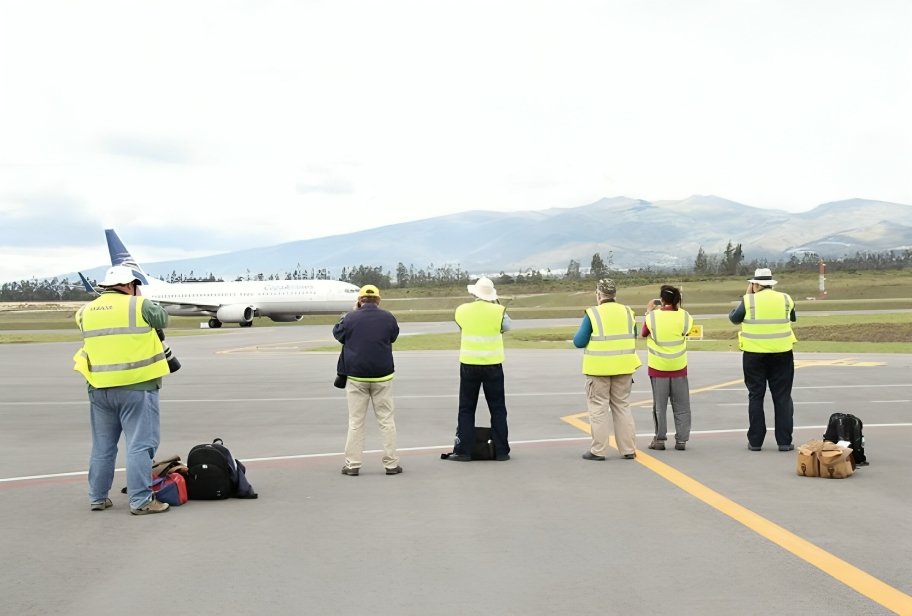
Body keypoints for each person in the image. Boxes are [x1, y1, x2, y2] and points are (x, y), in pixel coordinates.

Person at [73, 265, 173, 515]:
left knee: (103, 446)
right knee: (140, 444)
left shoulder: (84, 311)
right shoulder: (139, 305)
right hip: (137, 386)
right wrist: (140, 299)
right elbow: (163, 319)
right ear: (129, 286)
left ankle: (97, 497)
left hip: (99, 388)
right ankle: (140, 501)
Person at [333, 284, 402, 476]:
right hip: (383, 375)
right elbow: (393, 336)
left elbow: (338, 334)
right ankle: (391, 463)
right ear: (378, 300)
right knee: (387, 421)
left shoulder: (350, 318)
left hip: (357, 376)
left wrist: (352, 313)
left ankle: (352, 464)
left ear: (360, 300)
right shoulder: (388, 317)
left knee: (356, 422)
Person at [729, 267, 798, 452]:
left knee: (756, 396)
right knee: (782, 397)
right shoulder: (785, 298)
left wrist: (746, 297)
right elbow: (792, 317)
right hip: (782, 353)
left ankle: (756, 441)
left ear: (755, 284)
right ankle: (784, 441)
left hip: (754, 355)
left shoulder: (749, 300)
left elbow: (735, 319)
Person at [573, 278, 641, 460]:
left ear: (598, 294)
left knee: (598, 408)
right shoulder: (628, 312)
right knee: (622, 407)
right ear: (615, 294)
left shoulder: (593, 314)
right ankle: (628, 449)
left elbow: (578, 341)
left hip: (599, 369)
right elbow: (632, 334)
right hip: (624, 367)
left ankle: (598, 450)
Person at [446, 276, 512, 461]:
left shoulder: (462, 310)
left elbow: (461, 325)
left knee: (466, 408)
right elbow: (507, 327)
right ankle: (501, 451)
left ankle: (463, 450)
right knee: (498, 408)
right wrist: (497, 306)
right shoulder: (499, 311)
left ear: (474, 292)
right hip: (493, 364)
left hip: (469, 364)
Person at [641, 285, 693, 451]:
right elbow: (688, 331)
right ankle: (682, 440)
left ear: (661, 300)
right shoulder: (685, 316)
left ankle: (660, 439)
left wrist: (648, 312)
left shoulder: (653, 317)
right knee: (682, 406)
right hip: (679, 367)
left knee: (659, 407)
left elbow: (643, 333)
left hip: (658, 368)